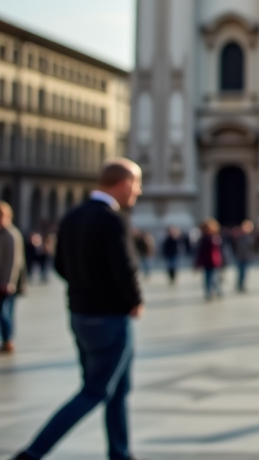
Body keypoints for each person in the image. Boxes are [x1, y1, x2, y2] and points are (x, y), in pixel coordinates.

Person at [12, 159, 144, 460]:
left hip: (80, 314)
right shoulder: (113, 219)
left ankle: (120, 453)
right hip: (110, 317)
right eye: (136, 184)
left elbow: (60, 265)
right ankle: (33, 453)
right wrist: (134, 300)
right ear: (123, 183)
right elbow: (125, 268)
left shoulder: (72, 216)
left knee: (118, 389)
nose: (138, 191)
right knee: (95, 391)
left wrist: (84, 287)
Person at [0, 201, 25, 353]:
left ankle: (8, 339)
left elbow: (14, 261)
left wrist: (8, 282)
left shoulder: (11, 234)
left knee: (5, 312)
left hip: (7, 282)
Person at [193, 219, 224, 301]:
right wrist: (198, 263)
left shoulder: (216, 237)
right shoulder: (204, 238)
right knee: (208, 277)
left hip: (215, 261)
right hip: (207, 261)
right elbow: (201, 252)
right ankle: (209, 292)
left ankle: (217, 290)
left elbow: (220, 250)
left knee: (215, 277)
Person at [232, 220, 257, 293]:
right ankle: (239, 284)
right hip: (239, 256)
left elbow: (255, 246)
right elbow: (234, 245)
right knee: (240, 271)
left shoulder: (252, 236)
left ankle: (242, 285)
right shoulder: (238, 236)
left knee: (244, 272)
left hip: (247, 257)